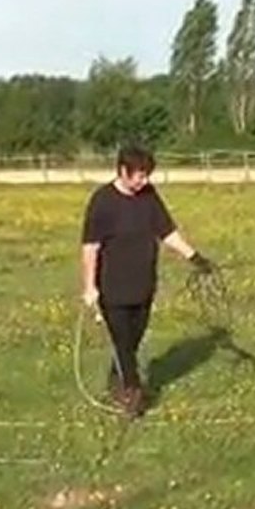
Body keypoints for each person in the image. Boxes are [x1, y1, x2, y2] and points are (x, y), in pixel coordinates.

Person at [80, 143, 214, 417]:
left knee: (132, 341)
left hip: (143, 285)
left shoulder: (149, 197)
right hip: (112, 287)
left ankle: (117, 378)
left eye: (146, 175)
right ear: (122, 171)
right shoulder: (102, 201)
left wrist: (194, 257)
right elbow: (90, 246)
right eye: (138, 175)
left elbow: (166, 232)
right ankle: (133, 393)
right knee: (122, 342)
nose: (143, 181)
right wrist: (89, 286)